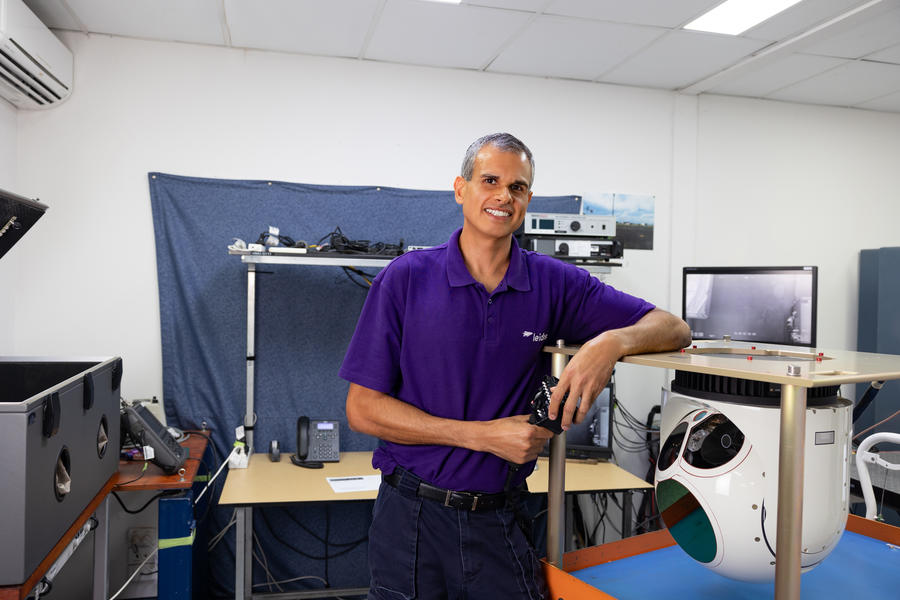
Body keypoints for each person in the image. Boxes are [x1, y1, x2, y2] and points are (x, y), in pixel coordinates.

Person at [339, 133, 691, 600]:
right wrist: (481, 435)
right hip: (411, 520)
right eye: (490, 180)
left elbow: (673, 327)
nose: (504, 196)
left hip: (499, 517)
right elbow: (363, 410)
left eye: (519, 187)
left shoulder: (554, 283)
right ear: (461, 189)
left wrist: (609, 343)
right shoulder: (404, 279)